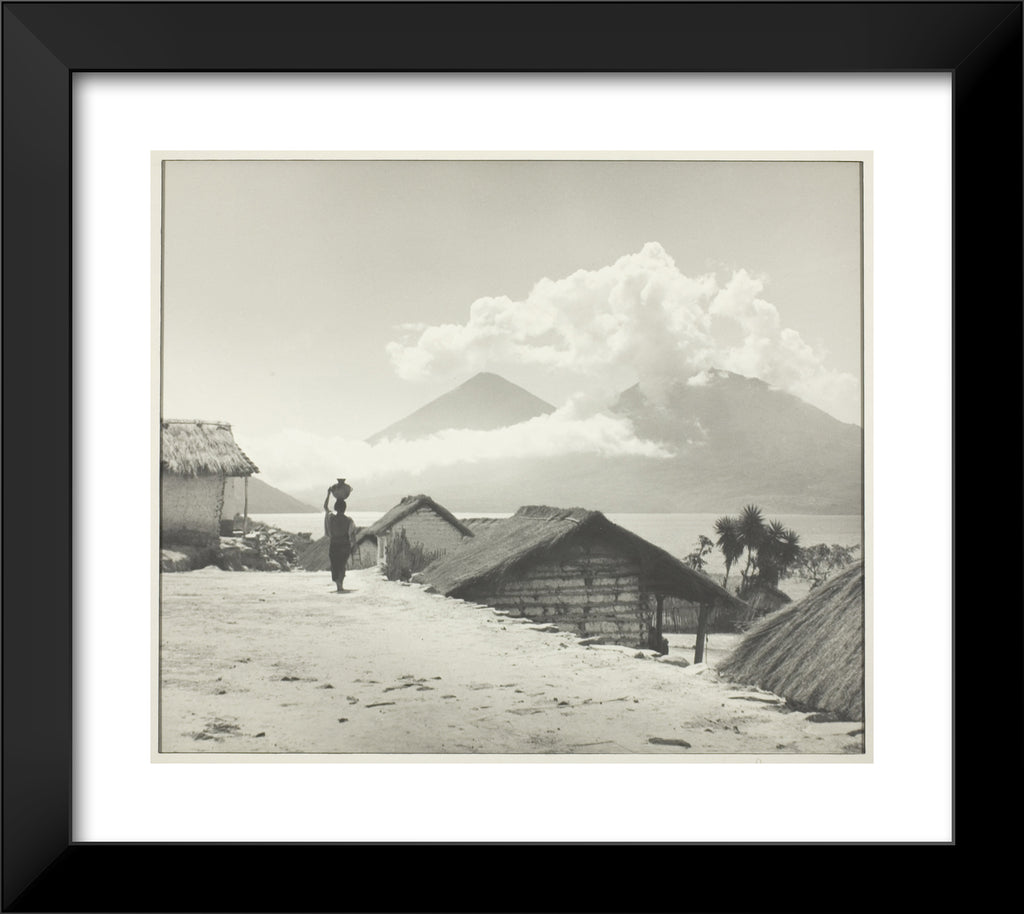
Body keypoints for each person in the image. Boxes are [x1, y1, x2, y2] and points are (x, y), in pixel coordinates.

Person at [327, 499, 358, 593]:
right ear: (345, 508)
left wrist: (328, 495)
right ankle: (340, 584)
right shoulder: (349, 520)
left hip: (334, 545)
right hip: (344, 545)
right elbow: (352, 534)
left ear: (335, 508)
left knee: (335, 565)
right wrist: (354, 545)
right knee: (342, 565)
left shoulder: (331, 519)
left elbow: (326, 508)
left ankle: (339, 585)